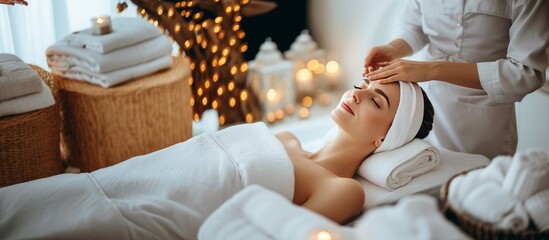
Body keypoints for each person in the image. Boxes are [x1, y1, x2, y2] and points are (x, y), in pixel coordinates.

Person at [0, 80, 434, 240]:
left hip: (146, 219)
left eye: (376, 98)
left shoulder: (342, 189)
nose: (356, 92)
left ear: (385, 138)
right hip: (119, 179)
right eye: (362, 84)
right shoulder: (285, 137)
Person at [363, 0, 549, 159]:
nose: (356, 95)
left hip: (483, 119)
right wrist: (393, 49)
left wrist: (432, 70)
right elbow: (413, 24)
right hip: (428, 103)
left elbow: (525, 72)